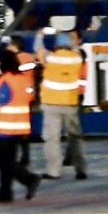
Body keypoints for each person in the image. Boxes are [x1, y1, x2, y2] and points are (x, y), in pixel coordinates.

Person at [0, 49, 41, 203]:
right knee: (9, 161)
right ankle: (5, 192)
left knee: (3, 162)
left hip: (4, 128)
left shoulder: (5, 81)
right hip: (20, 127)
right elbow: (30, 97)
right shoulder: (23, 80)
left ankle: (29, 179)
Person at [39, 31, 88, 180]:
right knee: (74, 137)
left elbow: (38, 50)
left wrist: (40, 36)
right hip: (70, 103)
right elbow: (77, 50)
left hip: (51, 103)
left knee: (52, 139)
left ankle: (53, 171)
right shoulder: (77, 58)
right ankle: (81, 169)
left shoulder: (50, 58)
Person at [4, 36, 36, 168]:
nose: (7, 48)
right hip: (26, 96)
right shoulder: (28, 57)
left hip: (18, 96)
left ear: (14, 46)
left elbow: (14, 73)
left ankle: (21, 156)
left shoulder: (20, 59)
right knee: (23, 128)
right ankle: (24, 155)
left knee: (18, 129)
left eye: (9, 45)